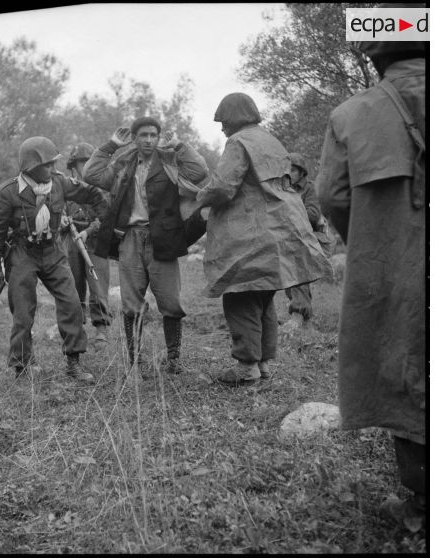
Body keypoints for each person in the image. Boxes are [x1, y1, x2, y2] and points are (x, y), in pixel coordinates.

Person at [315, 25, 426, 529]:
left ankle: (424, 508)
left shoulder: (351, 114)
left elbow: (333, 198)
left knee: (406, 360)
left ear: (376, 54)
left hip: (400, 265)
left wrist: (371, 243)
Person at [196, 93, 330, 385]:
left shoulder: (238, 142)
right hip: (276, 234)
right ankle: (265, 363)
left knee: (239, 297)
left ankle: (247, 367)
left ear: (235, 117)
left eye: (224, 121)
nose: (222, 128)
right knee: (263, 297)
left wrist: (197, 197)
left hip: (247, 235)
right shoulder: (271, 141)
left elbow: (223, 187)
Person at [83, 116, 209, 376]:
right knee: (131, 302)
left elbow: (199, 172)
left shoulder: (169, 160)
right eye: (143, 135)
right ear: (135, 137)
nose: (149, 140)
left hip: (164, 238)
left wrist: (179, 145)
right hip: (130, 239)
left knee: (171, 300)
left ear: (159, 137)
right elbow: (92, 174)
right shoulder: (123, 164)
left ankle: (173, 359)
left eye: (153, 135)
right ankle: (136, 362)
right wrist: (110, 145)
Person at [0, 136, 108, 382]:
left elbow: (91, 192)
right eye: (47, 165)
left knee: (71, 302)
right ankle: (22, 367)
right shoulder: (9, 193)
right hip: (22, 254)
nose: (53, 169)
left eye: (54, 164)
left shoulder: (60, 183)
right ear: (30, 167)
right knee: (23, 311)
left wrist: (105, 216)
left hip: (53, 251)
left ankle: (73, 363)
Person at [60, 143, 112, 346]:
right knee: (73, 285)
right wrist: (61, 220)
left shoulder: (102, 187)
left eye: (89, 161)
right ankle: (76, 327)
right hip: (71, 241)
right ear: (74, 166)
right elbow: (57, 209)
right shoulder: (66, 186)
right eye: (82, 162)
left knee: (98, 285)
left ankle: (101, 328)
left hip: (96, 242)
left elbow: (106, 216)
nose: (85, 166)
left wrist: (88, 231)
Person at [282, 152, 327, 332]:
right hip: (289, 237)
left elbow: (314, 216)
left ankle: (298, 315)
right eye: (287, 169)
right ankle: (305, 319)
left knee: (298, 268)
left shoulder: (309, 188)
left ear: (301, 172)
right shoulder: (281, 188)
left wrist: (287, 214)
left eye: (293, 170)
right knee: (286, 274)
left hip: (314, 238)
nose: (289, 173)